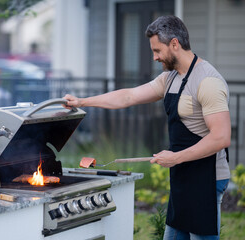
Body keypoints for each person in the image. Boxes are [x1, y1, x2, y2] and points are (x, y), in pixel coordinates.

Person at [63, 15, 230, 240]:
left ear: (174, 44)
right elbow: (128, 96)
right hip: (182, 174)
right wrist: (83, 102)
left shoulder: (207, 81)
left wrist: (176, 158)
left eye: (157, 50)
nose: (154, 57)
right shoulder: (170, 78)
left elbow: (221, 138)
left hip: (207, 178)